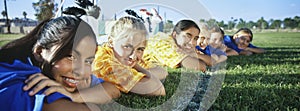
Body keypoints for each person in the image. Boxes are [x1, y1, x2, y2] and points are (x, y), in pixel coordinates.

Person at [0, 7, 120, 111]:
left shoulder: (72, 76)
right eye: (71, 57)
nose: (81, 71)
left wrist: (76, 96)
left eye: (88, 61)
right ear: (39, 52)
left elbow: (113, 90)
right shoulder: (24, 81)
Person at [92, 16, 167, 96]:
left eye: (140, 49)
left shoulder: (121, 56)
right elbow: (158, 89)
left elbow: (163, 72)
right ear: (111, 42)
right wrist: (139, 72)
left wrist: (135, 68)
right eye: (127, 47)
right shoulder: (104, 61)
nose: (133, 56)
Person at [143, 20, 211, 72]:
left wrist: (194, 54)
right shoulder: (164, 43)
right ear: (175, 35)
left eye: (195, 38)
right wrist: (192, 55)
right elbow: (200, 67)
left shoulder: (181, 46)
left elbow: (211, 61)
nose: (192, 42)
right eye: (188, 36)